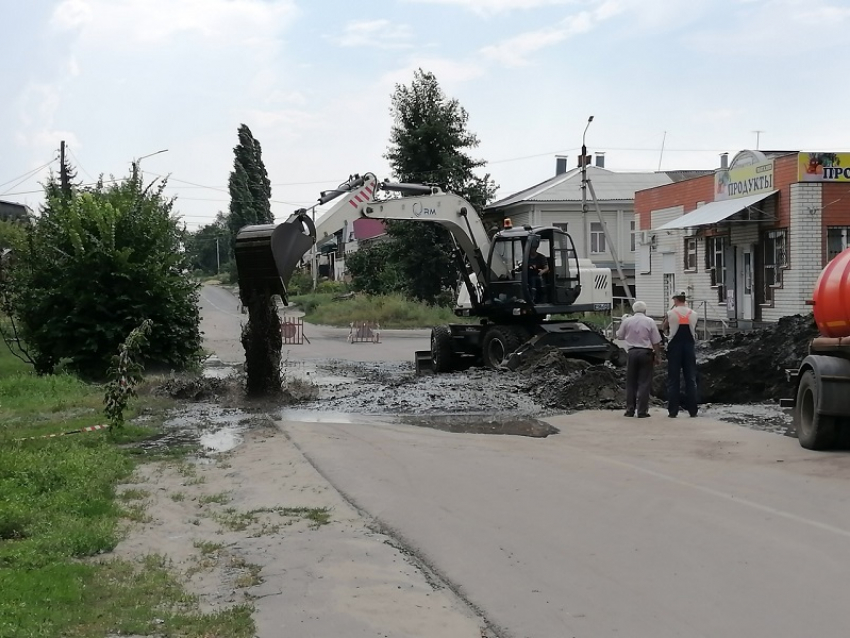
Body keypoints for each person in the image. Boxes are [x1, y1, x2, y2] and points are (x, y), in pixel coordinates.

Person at [617, 301, 662, 418]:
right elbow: (656, 341)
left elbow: (620, 336)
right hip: (645, 353)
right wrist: (658, 356)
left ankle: (630, 410)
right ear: (645, 310)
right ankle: (642, 411)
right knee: (644, 382)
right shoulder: (650, 321)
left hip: (631, 353)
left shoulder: (627, 321)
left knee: (631, 382)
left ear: (633, 310)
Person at [661, 290, 699, 418]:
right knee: (691, 379)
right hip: (689, 347)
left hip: (675, 348)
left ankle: (673, 411)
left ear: (675, 300)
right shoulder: (693, 313)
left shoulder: (671, 313)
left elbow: (663, 327)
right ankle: (693, 411)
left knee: (673, 379)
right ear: (685, 300)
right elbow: (694, 327)